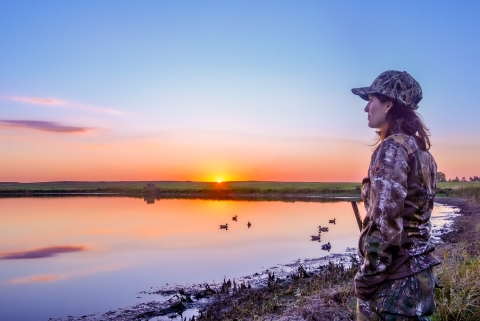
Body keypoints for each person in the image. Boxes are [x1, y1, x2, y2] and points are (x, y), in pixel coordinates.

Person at [351, 70, 441, 320]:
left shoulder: (391, 149)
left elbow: (384, 223)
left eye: (371, 100)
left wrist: (367, 279)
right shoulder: (422, 153)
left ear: (389, 103)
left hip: (395, 285)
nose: (366, 108)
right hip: (420, 277)